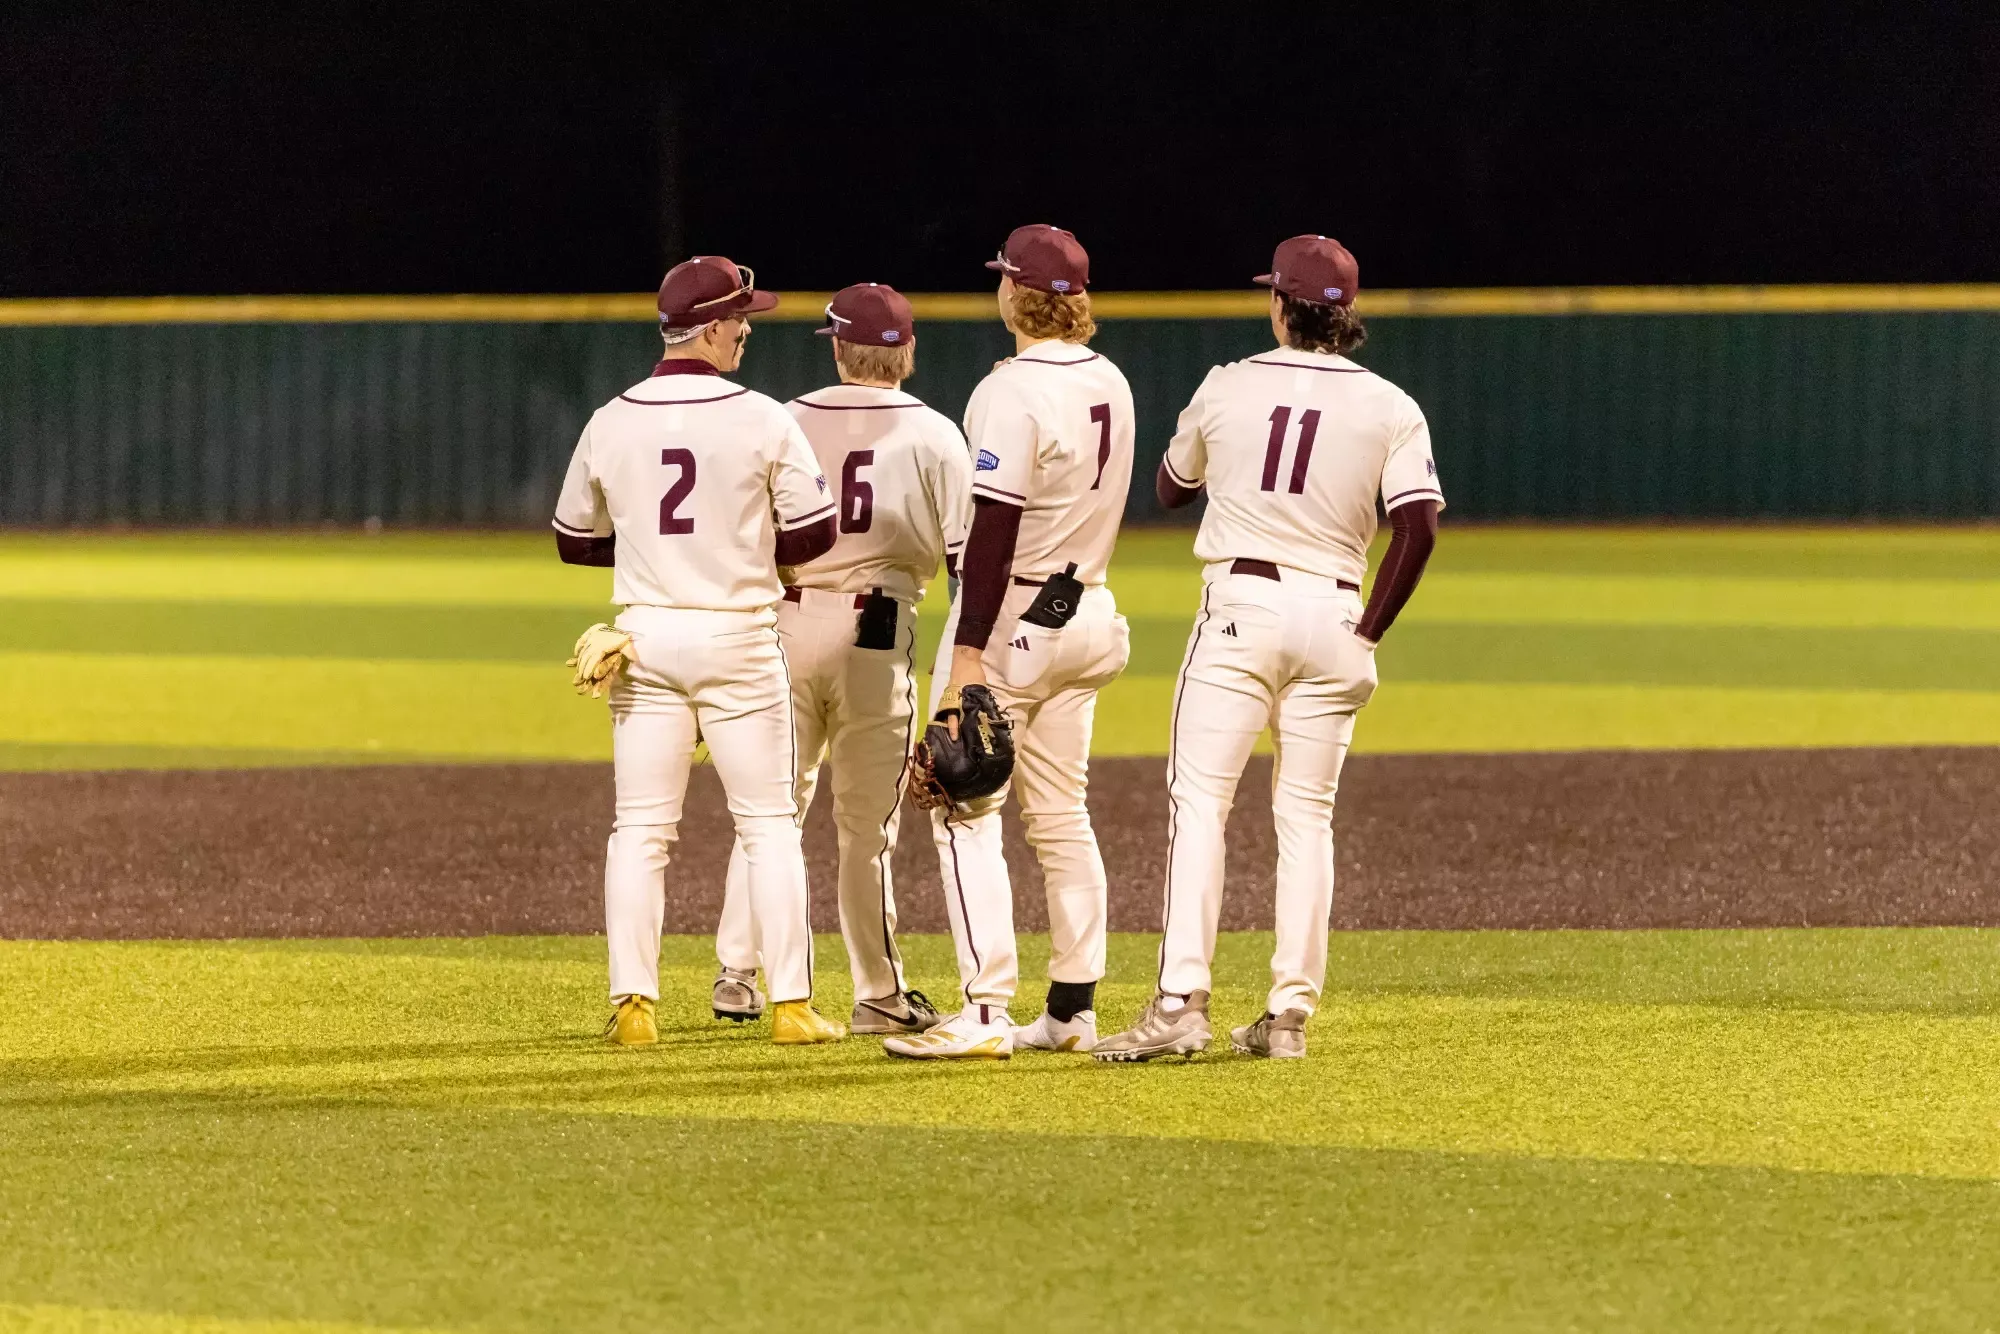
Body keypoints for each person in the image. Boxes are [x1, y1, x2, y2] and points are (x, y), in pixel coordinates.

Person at [1093, 234, 1443, 1063]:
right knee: (1307, 820)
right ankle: (1287, 1016)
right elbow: (1418, 530)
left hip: (1242, 608)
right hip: (1336, 616)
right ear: (1346, 315)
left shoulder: (1228, 384)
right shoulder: (1392, 404)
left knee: (1201, 806)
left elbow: (1170, 489)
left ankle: (1180, 1002)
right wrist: (1371, 629)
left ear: (1283, 306)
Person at [552, 254, 847, 1048]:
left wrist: (653, 554)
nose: (747, 329)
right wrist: (745, 547)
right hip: (738, 638)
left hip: (643, 638)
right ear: (711, 327)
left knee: (640, 831)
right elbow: (816, 533)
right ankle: (790, 1006)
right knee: (769, 825)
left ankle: (634, 1010)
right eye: (741, 317)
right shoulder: (760, 417)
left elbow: (574, 541)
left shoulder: (613, 416)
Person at [884, 225, 1135, 1061]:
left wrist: (966, 659)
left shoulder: (1010, 390)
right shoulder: (1113, 378)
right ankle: (1071, 1011)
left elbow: (992, 531)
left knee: (962, 806)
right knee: (1062, 813)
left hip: (1016, 617)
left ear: (1013, 293)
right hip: (1090, 609)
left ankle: (985, 1010)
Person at [711, 282, 973, 1036]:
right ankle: (878, 994)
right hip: (876, 638)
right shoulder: (935, 433)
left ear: (835, 345)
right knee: (867, 830)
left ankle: (737, 972)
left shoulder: (786, 418)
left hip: (782, 627)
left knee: (770, 810)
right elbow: (965, 564)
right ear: (908, 350)